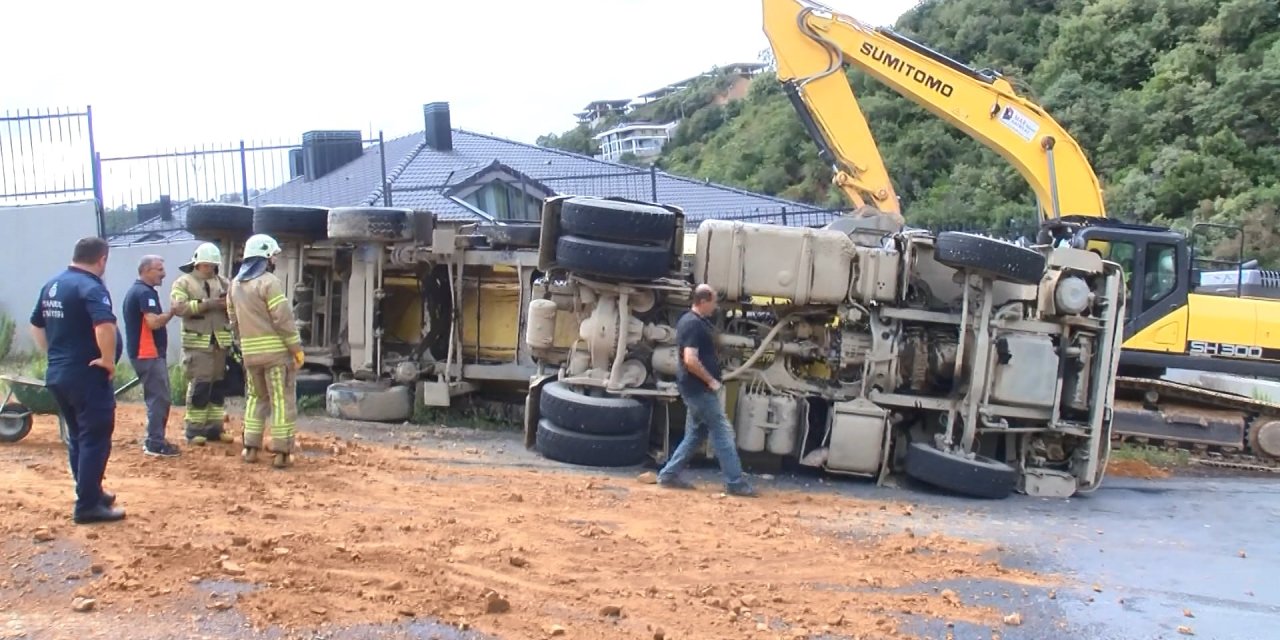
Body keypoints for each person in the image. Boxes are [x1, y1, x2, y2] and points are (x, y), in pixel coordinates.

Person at [29, 237, 126, 524]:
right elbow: (104, 325)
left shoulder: (53, 285)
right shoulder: (91, 286)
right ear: (102, 260)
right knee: (95, 437)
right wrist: (108, 361)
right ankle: (87, 506)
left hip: (59, 374)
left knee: (78, 438)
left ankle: (91, 492)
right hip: (87, 375)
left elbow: (36, 324)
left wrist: (55, 354)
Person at [656, 283, 757, 497]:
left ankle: (668, 475)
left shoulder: (690, 321)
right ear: (703, 301)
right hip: (699, 389)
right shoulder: (694, 325)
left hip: (693, 388)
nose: (715, 306)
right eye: (713, 302)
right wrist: (711, 381)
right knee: (723, 433)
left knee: (696, 434)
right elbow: (690, 360)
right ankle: (735, 482)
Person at [228, 233, 304, 469]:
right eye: (272, 256)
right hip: (275, 355)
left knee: (255, 398)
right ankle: (282, 452)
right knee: (281, 400)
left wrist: (243, 345)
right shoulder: (269, 282)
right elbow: (282, 318)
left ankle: (250, 447)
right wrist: (296, 348)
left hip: (250, 355)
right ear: (266, 257)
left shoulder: (235, 285)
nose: (274, 260)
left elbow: (233, 320)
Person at [169, 242, 233, 445]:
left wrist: (227, 305)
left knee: (218, 387)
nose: (210, 269)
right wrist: (207, 305)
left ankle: (215, 428)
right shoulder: (184, 283)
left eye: (213, 265)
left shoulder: (224, 283)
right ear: (197, 263)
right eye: (206, 265)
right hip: (197, 343)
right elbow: (179, 308)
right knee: (200, 386)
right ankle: (195, 430)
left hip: (220, 343)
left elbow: (236, 303)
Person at [124, 255, 179, 457]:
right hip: (147, 353)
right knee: (159, 398)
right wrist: (173, 312)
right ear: (146, 270)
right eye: (159, 269)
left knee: (158, 397)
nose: (163, 273)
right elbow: (153, 322)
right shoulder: (144, 293)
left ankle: (155, 439)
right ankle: (155, 442)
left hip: (146, 353)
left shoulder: (140, 291)